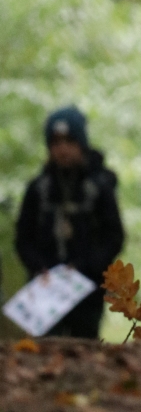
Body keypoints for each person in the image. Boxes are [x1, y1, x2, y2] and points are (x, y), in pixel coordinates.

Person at [15, 105, 124, 338]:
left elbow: (114, 236)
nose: (63, 150)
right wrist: (38, 267)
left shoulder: (99, 187)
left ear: (81, 144)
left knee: (84, 348)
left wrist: (86, 267)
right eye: (56, 143)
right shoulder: (39, 189)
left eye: (69, 142)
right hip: (45, 287)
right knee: (43, 351)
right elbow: (23, 237)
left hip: (87, 287)